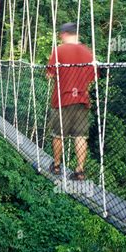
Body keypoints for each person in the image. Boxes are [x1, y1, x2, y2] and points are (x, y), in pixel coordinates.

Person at [47, 22, 96, 181]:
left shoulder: (59, 51)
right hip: (82, 100)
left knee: (58, 134)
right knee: (81, 136)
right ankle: (79, 171)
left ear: (64, 34)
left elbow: (49, 74)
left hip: (62, 100)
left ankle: (56, 166)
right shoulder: (88, 53)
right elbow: (92, 78)